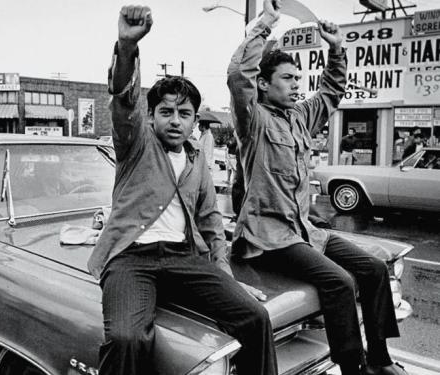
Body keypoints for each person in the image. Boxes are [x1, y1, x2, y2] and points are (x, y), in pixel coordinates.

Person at [87, 5, 277, 375]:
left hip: (182, 258)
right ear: (152, 115)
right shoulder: (135, 144)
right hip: (130, 259)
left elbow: (210, 224)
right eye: (166, 111)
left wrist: (225, 276)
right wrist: (126, 47)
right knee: (128, 338)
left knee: (255, 317)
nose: (175, 120)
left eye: (184, 113)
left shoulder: (197, 161)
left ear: (194, 120)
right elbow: (124, 101)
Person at [227, 1, 405, 375]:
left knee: (372, 268)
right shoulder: (252, 120)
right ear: (263, 83)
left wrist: (336, 48)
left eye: (297, 77)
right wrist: (263, 26)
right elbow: (237, 76)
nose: (297, 84)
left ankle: (379, 361)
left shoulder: (299, 116)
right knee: (339, 282)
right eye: (288, 78)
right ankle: (351, 367)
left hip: (305, 230)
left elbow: (330, 91)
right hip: (269, 236)